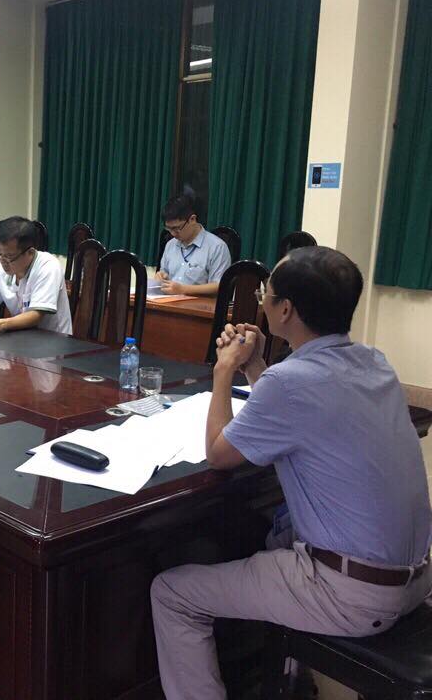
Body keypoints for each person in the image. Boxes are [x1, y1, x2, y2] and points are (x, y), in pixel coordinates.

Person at [150, 246, 432, 700]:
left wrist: (224, 371)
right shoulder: (374, 362)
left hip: (353, 595)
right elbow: (296, 411)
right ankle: (289, 679)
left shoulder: (290, 382)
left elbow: (219, 454)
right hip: (415, 578)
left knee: (172, 594)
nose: (261, 300)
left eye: (266, 293)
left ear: (284, 310)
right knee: (274, 533)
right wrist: (257, 366)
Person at [0, 216, 71, 335]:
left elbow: (36, 315)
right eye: (0, 254)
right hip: (21, 337)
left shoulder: (48, 266)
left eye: (9, 256)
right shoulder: (1, 269)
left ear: (30, 252)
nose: (3, 261)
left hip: (52, 339)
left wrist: (0, 324)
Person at [154, 192, 231, 296]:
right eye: (169, 229)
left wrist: (184, 289)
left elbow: (219, 285)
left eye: (177, 228)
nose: (173, 234)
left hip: (200, 305)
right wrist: (161, 276)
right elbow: (164, 272)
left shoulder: (217, 247)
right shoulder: (170, 245)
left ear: (192, 219)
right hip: (169, 302)